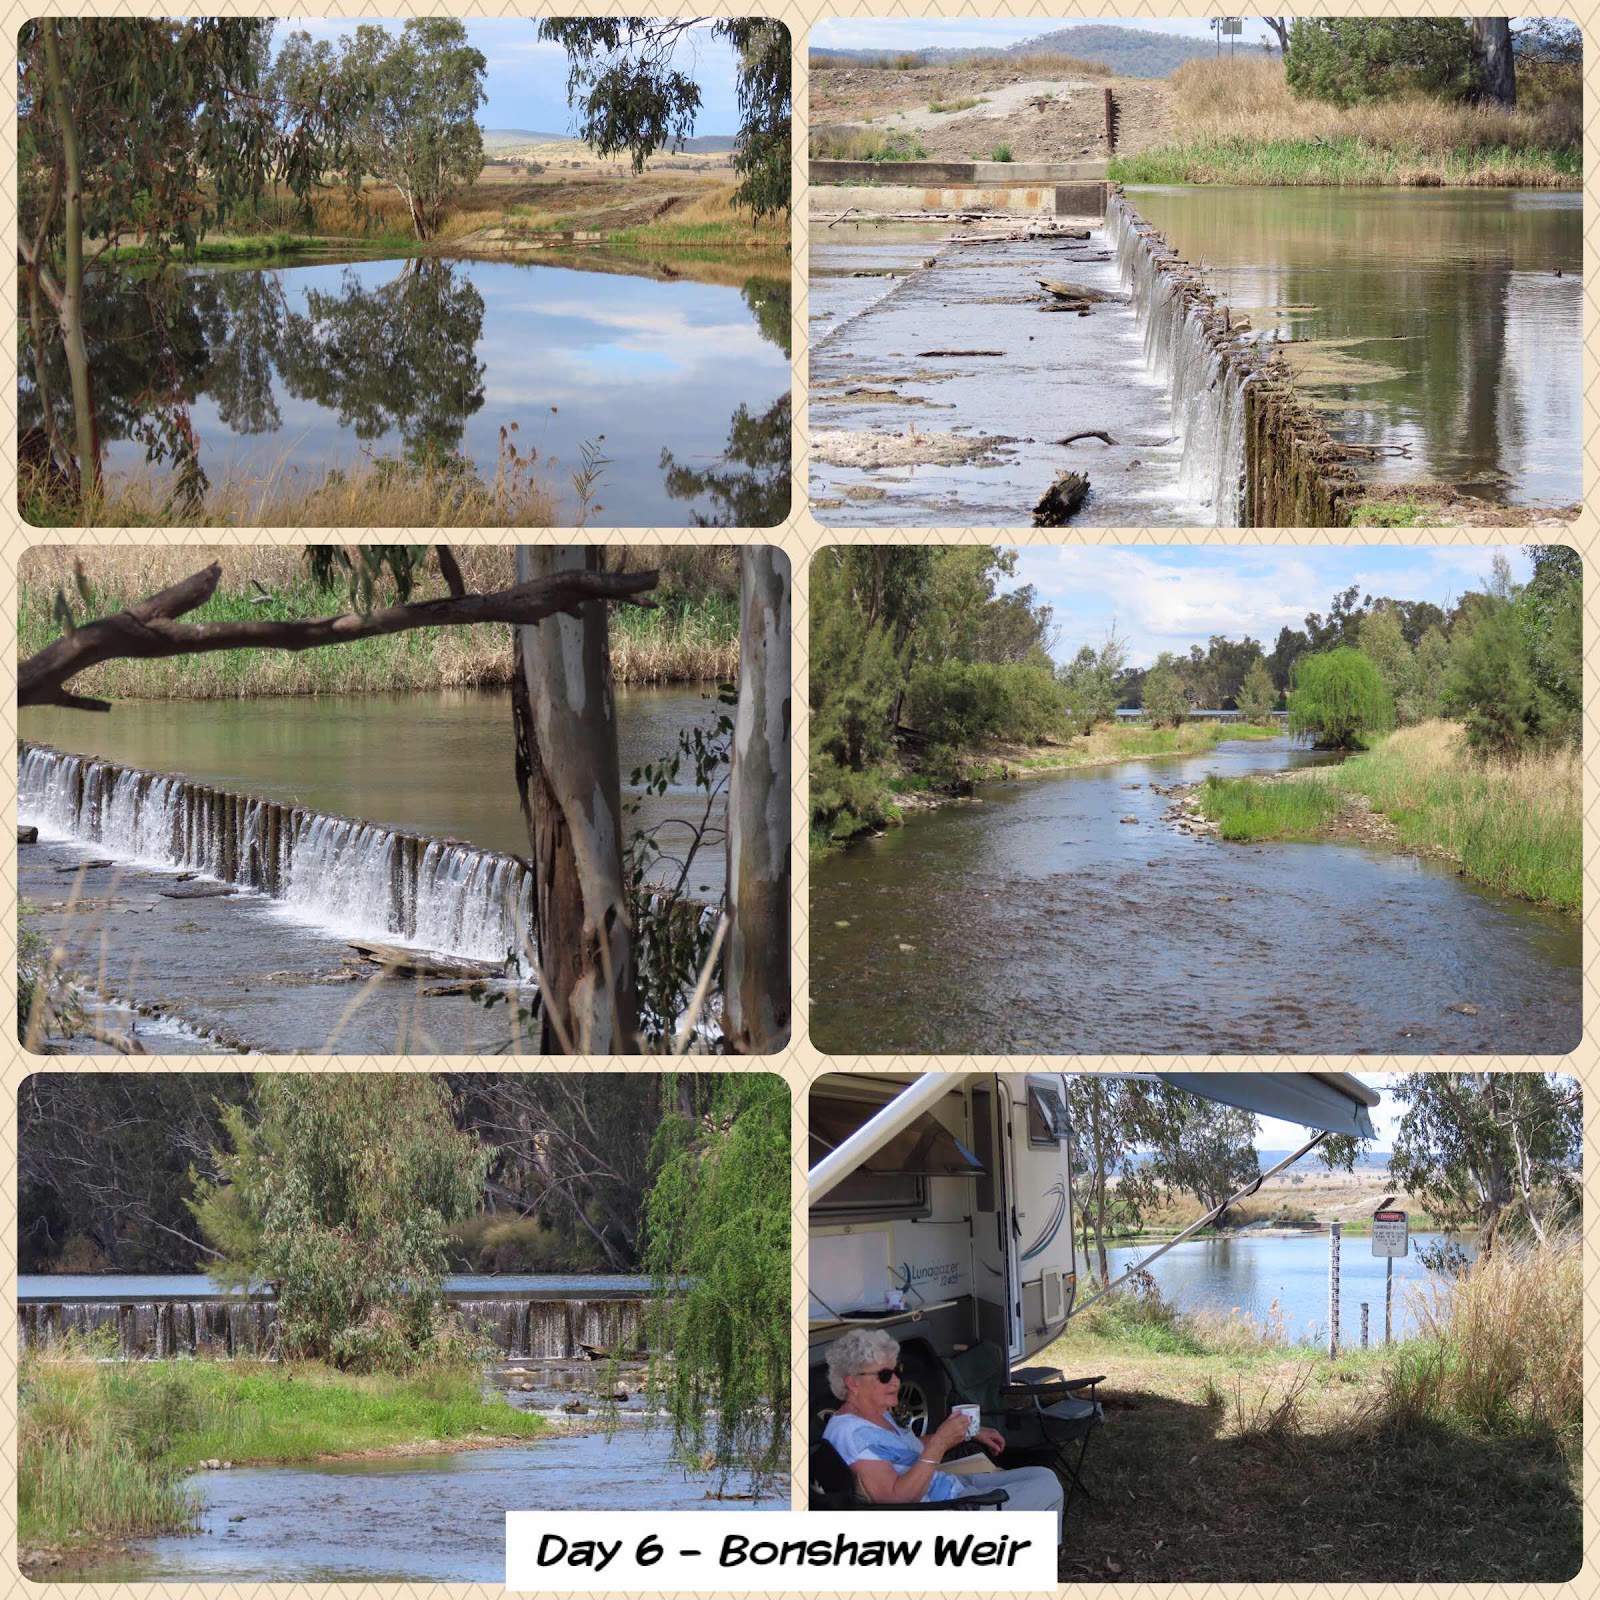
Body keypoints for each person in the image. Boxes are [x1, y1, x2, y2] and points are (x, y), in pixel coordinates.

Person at [822, 1328, 1065, 1543]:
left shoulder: (873, 1415)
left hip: (948, 1488)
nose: (896, 1381)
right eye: (884, 1376)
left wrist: (969, 1433)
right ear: (853, 1383)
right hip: (945, 1511)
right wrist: (940, 1442)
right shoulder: (851, 1434)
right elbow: (896, 1500)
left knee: (1042, 1474)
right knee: (1047, 1488)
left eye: (896, 1371)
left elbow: (907, 1448)